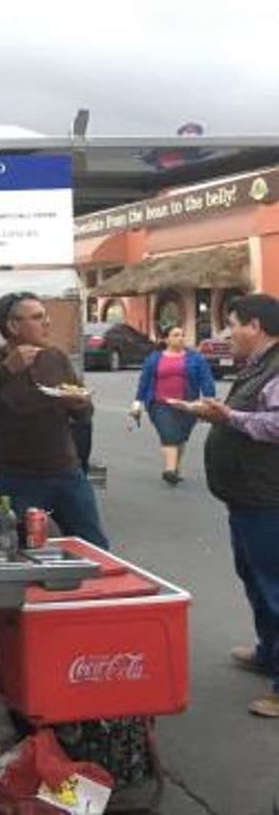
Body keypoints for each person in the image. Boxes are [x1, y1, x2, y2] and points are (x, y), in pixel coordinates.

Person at [171, 294, 279, 717]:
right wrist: (214, 413)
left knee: (274, 587)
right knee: (254, 579)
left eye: (231, 324)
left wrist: (227, 418)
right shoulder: (258, 365)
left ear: (255, 325)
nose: (226, 334)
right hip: (246, 496)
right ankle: (268, 653)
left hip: (267, 497)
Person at [0, 292, 109, 548]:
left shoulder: (55, 357)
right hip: (17, 476)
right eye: (38, 317)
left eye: (45, 316)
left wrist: (81, 405)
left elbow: (82, 409)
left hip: (65, 470)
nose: (47, 323)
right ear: (12, 326)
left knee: (93, 545)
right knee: (21, 548)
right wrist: (8, 369)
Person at [130, 325, 216, 484]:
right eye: (176, 335)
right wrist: (137, 403)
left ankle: (175, 467)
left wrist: (209, 401)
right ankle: (169, 470)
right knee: (169, 433)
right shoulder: (154, 358)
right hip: (159, 404)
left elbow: (206, 380)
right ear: (166, 339)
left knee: (181, 437)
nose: (180, 338)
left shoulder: (196, 358)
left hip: (187, 404)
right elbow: (144, 381)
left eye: (182, 334)